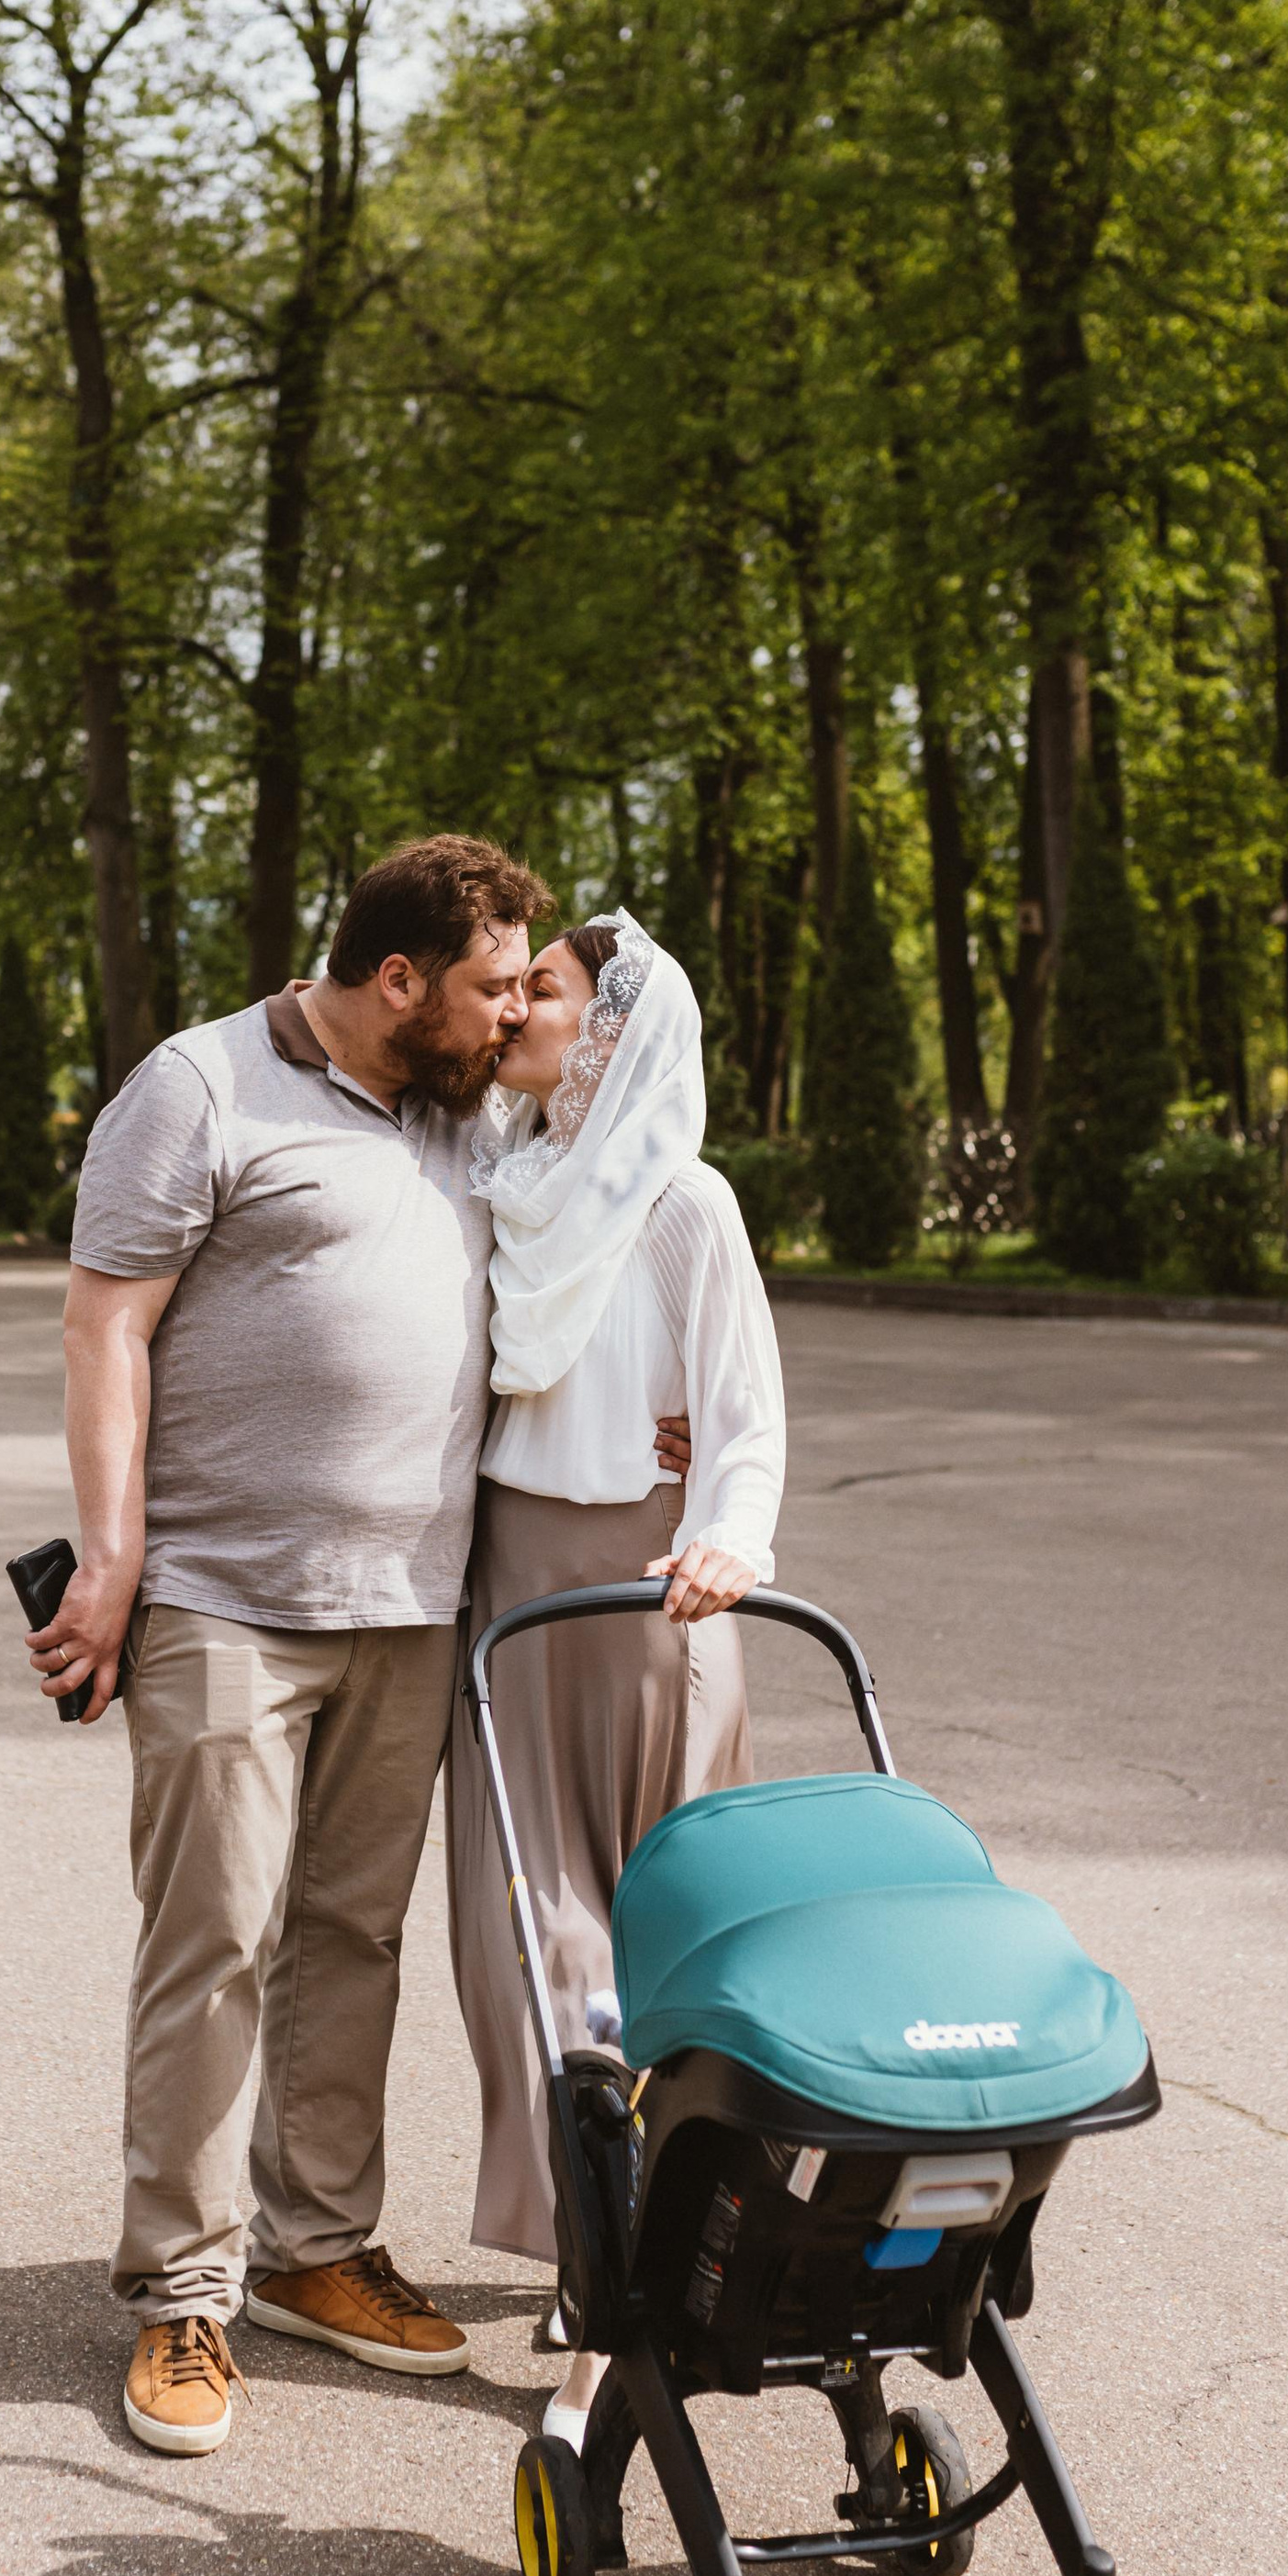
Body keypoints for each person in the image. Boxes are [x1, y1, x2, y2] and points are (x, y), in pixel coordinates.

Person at [26, 834, 550, 2456]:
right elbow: (106, 1318)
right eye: (491, 984)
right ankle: (183, 2294)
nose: (512, 1013)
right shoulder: (196, 1090)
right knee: (216, 1939)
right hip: (222, 1598)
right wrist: (112, 1561)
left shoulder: (468, 1110)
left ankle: (316, 2249)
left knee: (352, 1937)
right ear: (398, 982)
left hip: (411, 1601)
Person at [445, 910, 787, 2452]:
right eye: (511, 983)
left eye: (550, 989)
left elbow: (742, 1410)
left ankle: (628, 2269)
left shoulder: (679, 1203)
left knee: (640, 1946)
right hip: (511, 1596)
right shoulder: (498, 1183)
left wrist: (722, 1534)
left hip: (649, 1599)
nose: (518, 1004)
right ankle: (596, 2230)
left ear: (615, 1030)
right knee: (522, 1935)